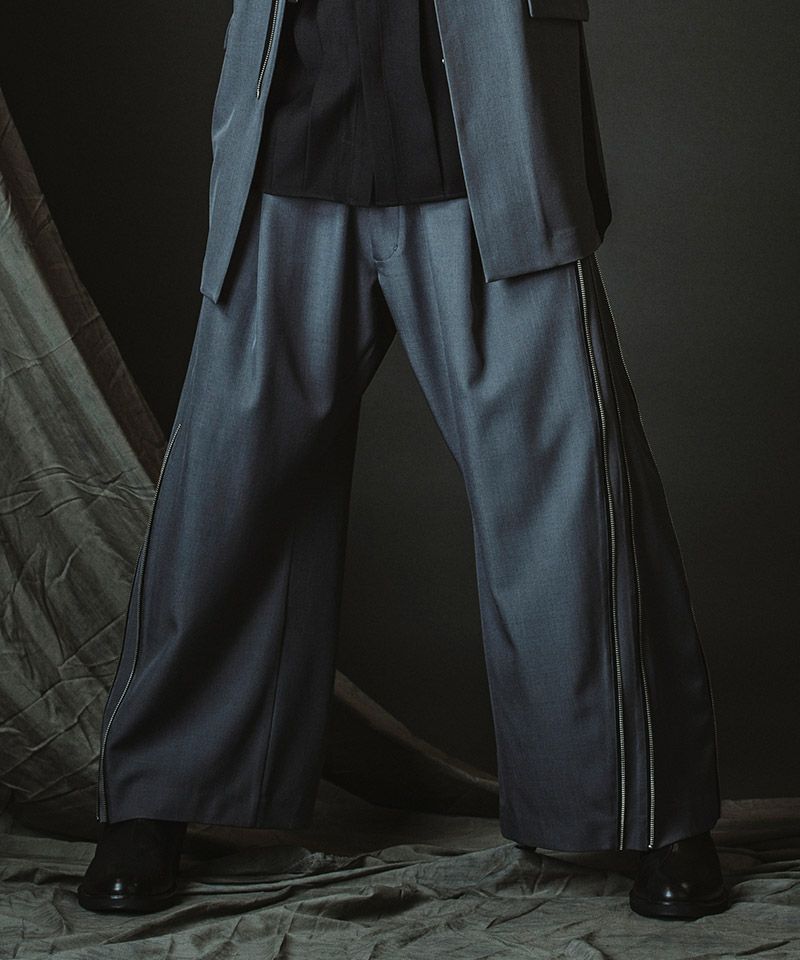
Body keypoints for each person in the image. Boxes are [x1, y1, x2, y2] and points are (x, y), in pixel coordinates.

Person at [78, 0, 730, 919]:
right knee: (225, 489)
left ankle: (648, 804)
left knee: (568, 480)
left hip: (492, 132)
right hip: (293, 128)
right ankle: (158, 794)